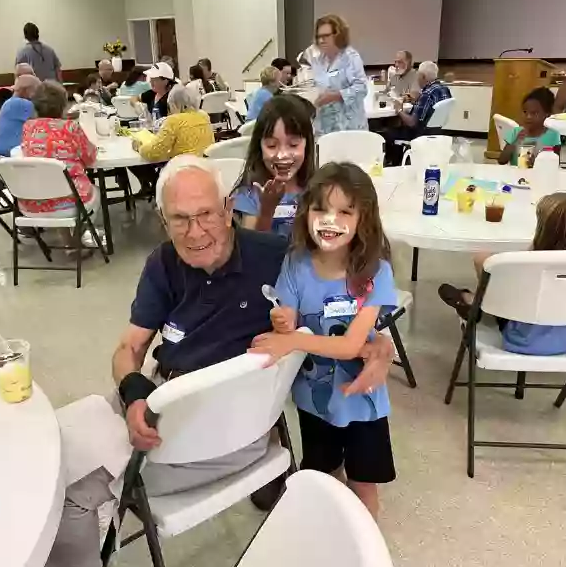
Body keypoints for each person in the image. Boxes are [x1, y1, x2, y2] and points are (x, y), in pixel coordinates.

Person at [114, 156, 395, 504]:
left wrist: (380, 343)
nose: (196, 231)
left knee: (97, 482)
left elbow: (343, 290)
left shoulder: (280, 258)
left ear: (229, 208)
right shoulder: (163, 263)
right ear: (163, 221)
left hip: (241, 417)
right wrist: (133, 392)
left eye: (206, 214)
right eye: (180, 219)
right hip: (169, 399)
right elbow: (130, 347)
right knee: (87, 443)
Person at [252, 162, 397, 520]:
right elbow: (288, 322)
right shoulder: (295, 264)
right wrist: (283, 321)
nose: (330, 220)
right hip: (313, 403)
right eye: (320, 209)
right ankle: (331, 532)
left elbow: (350, 346)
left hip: (363, 403)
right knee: (324, 476)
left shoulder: (375, 272)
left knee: (364, 484)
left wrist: (294, 342)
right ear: (306, 212)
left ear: (364, 218)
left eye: (345, 211)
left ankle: (364, 554)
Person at [438, 191, 566, 356]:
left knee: (485, 262)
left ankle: (475, 302)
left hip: (520, 339)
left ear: (543, 230)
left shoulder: (529, 265)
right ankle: (475, 301)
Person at [19, 81, 100, 228]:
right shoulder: (70, 127)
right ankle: (80, 238)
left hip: (32, 201)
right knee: (96, 192)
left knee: (55, 184)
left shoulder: (27, 127)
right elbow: (90, 158)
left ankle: (69, 244)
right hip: (69, 201)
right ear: (63, 105)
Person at [234, 94, 316, 236]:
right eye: (272, 146)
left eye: (293, 144)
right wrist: (267, 209)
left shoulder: (317, 189)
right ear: (259, 147)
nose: (282, 155)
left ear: (307, 145)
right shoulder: (251, 194)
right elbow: (252, 248)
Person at [307, 13, 369, 134]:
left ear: (338, 35)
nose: (321, 40)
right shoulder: (319, 60)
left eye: (325, 36)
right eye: (318, 36)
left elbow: (361, 88)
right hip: (325, 128)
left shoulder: (350, 57)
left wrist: (336, 96)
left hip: (350, 128)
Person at [381, 61, 452, 165]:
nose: (417, 78)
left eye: (418, 75)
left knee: (388, 133)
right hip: (435, 131)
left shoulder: (427, 94)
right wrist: (416, 100)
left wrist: (399, 110)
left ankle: (394, 164)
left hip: (419, 134)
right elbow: (429, 107)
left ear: (423, 77)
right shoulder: (444, 89)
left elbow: (412, 123)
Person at [133, 85, 214, 163]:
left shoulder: (174, 120)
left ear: (174, 103)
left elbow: (154, 152)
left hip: (182, 168)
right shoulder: (204, 116)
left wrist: (139, 147)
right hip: (205, 165)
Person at [499, 87, 561, 167]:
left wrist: (538, 163)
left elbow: (556, 164)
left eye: (534, 113)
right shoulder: (516, 132)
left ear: (547, 114)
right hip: (516, 176)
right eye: (525, 112)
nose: (528, 116)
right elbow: (502, 160)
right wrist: (515, 142)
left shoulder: (553, 135)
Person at [0, 74, 40, 157]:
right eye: (37, 91)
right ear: (27, 90)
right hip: (8, 158)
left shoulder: (9, 103)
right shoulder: (23, 104)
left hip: (1, 156)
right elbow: (44, 121)